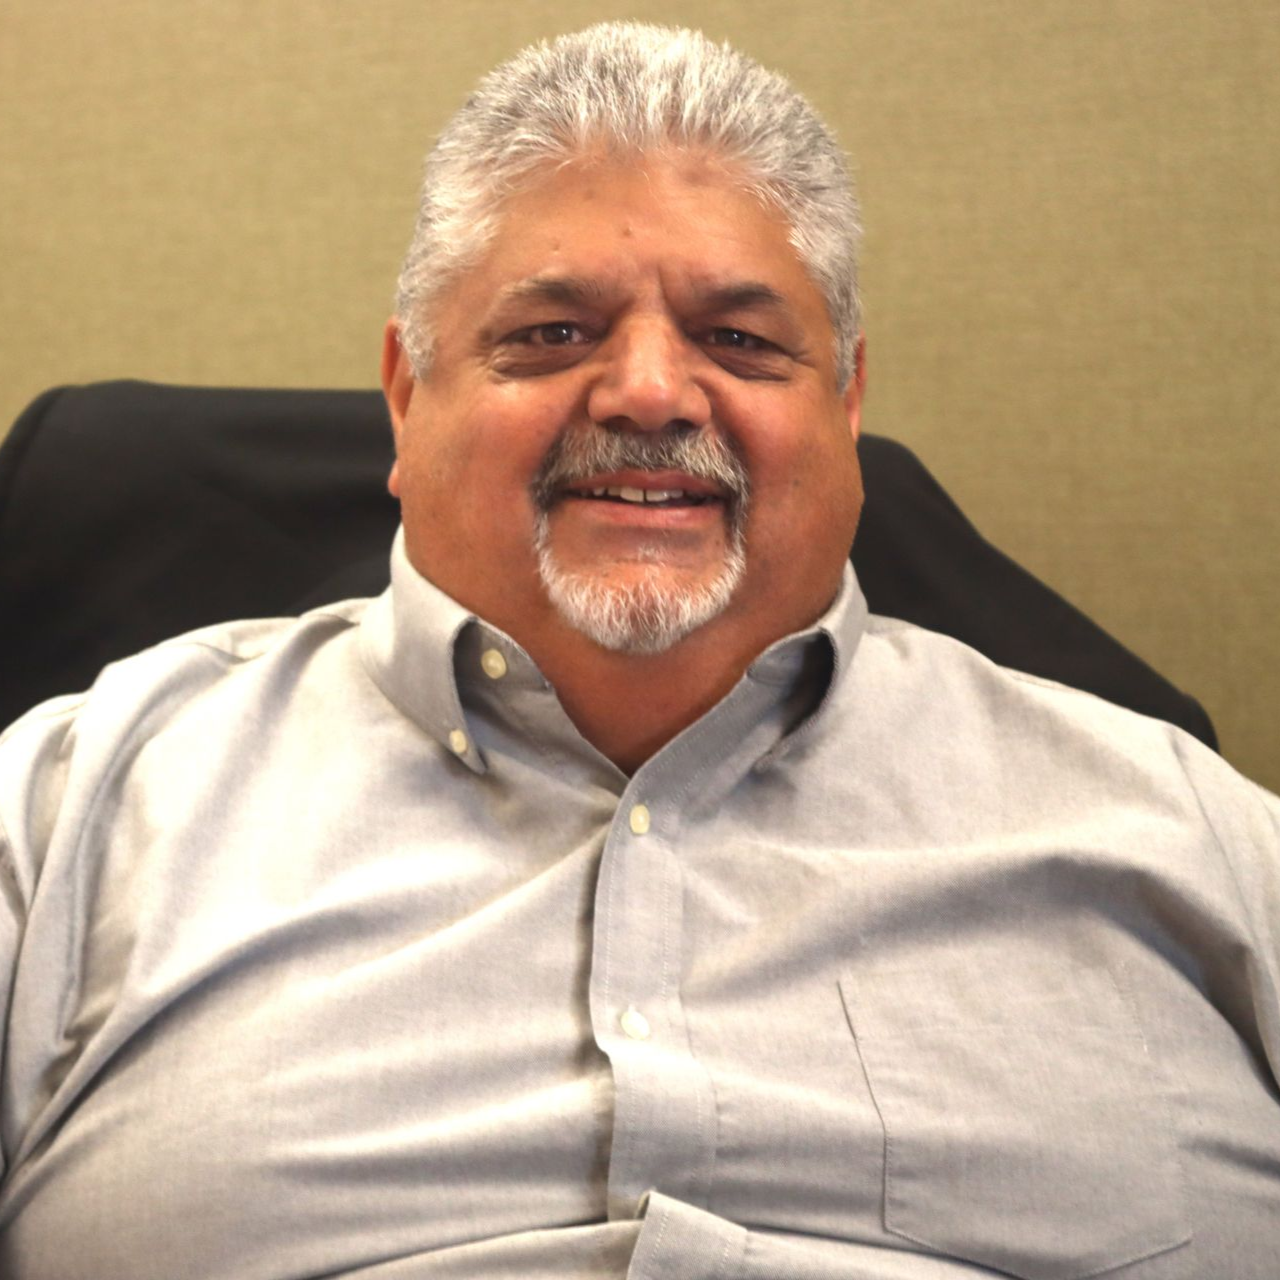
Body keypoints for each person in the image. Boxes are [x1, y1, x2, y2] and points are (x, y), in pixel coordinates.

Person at [1, 21, 1277, 1280]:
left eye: (740, 338)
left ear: (844, 402)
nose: (652, 393)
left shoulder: (1198, 842)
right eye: (552, 332)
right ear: (405, 393)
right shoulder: (66, 817)